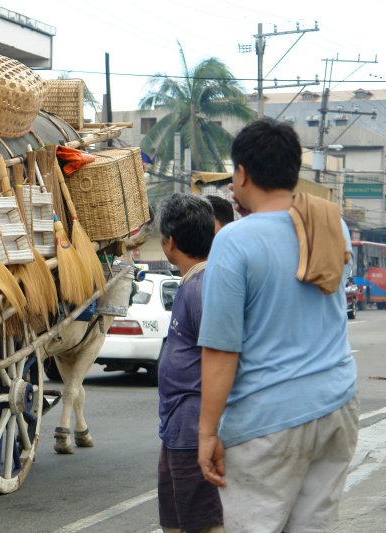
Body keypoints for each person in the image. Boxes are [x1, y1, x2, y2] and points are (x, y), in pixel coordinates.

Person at [197, 117, 358, 532]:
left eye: (233, 172)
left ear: (244, 173)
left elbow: (221, 349)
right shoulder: (331, 224)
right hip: (336, 404)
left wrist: (207, 433)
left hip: (267, 421)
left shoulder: (234, 240)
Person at [156, 193, 223, 533]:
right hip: (178, 428)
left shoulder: (201, 288)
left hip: (194, 428)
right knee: (178, 519)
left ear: (169, 243)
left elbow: (221, 359)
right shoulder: (194, 283)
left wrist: (210, 432)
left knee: (201, 521)